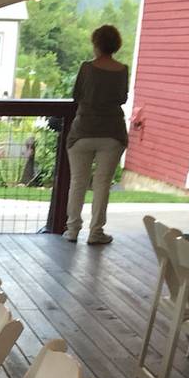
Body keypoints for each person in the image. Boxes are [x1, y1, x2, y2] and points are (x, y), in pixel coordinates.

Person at [63, 24, 129, 245]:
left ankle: (72, 229)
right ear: (115, 45)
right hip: (112, 133)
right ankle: (96, 231)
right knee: (102, 184)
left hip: (83, 131)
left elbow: (77, 95)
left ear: (96, 44)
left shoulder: (87, 68)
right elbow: (122, 98)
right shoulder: (122, 70)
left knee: (78, 182)